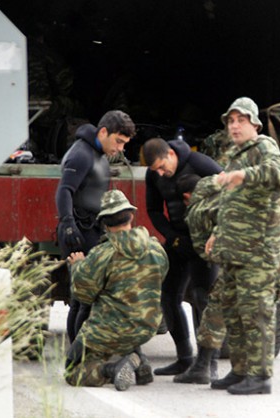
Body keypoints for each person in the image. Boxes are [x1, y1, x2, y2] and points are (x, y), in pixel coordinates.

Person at [173, 173, 280, 386]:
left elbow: (207, 252)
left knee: (249, 312)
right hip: (272, 249)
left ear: (187, 197)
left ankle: (254, 377)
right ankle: (233, 371)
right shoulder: (228, 194)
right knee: (224, 306)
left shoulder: (197, 211)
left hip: (256, 256)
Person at [205, 97, 280, 395]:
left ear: (254, 123)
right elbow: (230, 202)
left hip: (258, 251)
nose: (234, 126)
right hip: (234, 249)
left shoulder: (264, 148)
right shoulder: (236, 153)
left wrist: (245, 175)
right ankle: (240, 370)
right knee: (233, 311)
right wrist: (217, 232)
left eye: (241, 120)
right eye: (231, 121)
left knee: (257, 313)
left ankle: (260, 376)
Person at [64, 190, 168, 390]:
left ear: (104, 224)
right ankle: (139, 359)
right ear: (131, 216)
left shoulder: (101, 254)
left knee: (72, 371)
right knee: (129, 321)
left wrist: (77, 266)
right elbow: (159, 276)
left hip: (109, 331)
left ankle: (112, 369)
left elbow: (83, 295)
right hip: (147, 326)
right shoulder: (156, 248)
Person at [142, 137, 223, 375]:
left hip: (205, 241)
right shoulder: (155, 175)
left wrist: (217, 233)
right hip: (179, 240)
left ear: (170, 154)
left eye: (161, 166)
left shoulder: (200, 163)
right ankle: (185, 357)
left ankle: (209, 363)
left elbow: (230, 194)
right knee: (168, 296)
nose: (160, 173)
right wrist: (172, 236)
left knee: (203, 299)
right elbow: (153, 210)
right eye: (154, 170)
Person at [55, 110, 136, 344]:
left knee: (87, 296)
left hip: (91, 228)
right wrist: (68, 225)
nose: (120, 148)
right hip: (79, 231)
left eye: (124, 144)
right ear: (103, 132)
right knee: (82, 296)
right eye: (118, 141)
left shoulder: (97, 153)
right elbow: (64, 190)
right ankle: (78, 353)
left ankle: (82, 349)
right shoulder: (81, 154)